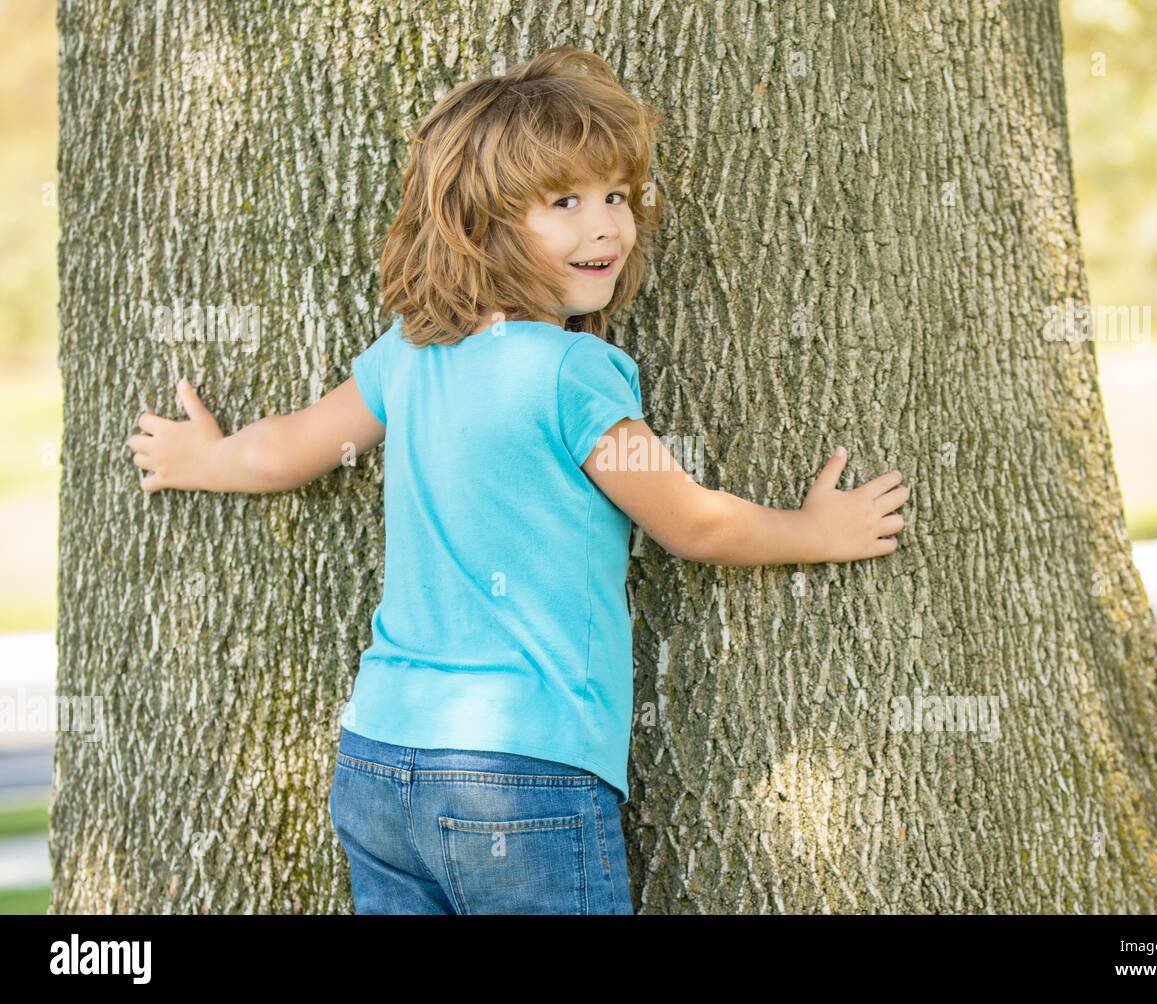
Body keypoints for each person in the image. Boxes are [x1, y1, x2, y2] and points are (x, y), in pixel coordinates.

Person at [124, 46, 908, 915]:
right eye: (563, 202)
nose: (605, 226)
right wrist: (816, 531)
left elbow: (283, 452)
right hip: (519, 778)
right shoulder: (576, 373)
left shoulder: (411, 354)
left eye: (616, 196)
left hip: (379, 761)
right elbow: (691, 523)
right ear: (484, 222)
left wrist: (203, 459)